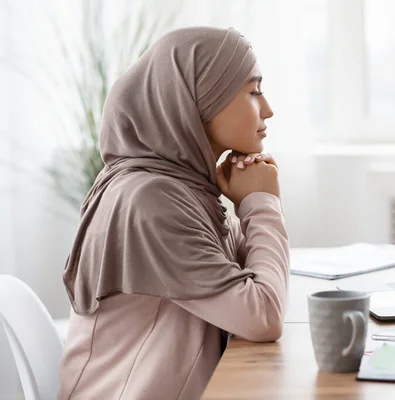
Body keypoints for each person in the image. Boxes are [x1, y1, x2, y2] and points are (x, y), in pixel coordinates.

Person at [58, 27, 289, 399]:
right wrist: (261, 203)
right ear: (198, 99)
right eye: (253, 91)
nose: (268, 109)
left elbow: (253, 283)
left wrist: (250, 202)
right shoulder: (151, 200)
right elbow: (263, 315)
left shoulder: (184, 187)